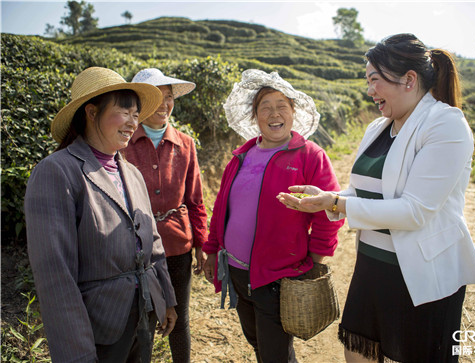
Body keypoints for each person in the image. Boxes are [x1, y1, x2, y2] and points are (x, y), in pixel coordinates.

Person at [277, 33, 475, 363]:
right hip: (373, 265)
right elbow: (369, 194)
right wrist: (329, 197)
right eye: (368, 81)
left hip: (421, 275)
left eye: (375, 80)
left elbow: (415, 211)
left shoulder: (446, 124)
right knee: (358, 350)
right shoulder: (378, 127)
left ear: (409, 79)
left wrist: (337, 204)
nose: (370, 90)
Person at [24, 66, 178, 363]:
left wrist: (167, 300)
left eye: (136, 115)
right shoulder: (57, 171)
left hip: (142, 314)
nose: (133, 123)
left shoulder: (130, 172)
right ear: (92, 112)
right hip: (98, 324)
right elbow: (56, 276)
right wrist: (76, 353)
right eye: (124, 112)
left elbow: (153, 243)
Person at [202, 69, 344, 363]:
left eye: (282, 106)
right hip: (238, 273)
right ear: (255, 117)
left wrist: (315, 260)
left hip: (280, 276)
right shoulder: (241, 156)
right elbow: (222, 208)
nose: (274, 113)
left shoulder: (310, 156)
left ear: (294, 113)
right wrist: (212, 249)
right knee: (257, 343)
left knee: (275, 353)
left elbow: (330, 213)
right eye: (265, 107)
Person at [123, 68, 209, 363]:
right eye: (155, 98)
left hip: (177, 244)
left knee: (180, 318)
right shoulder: (122, 144)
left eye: (169, 97)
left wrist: (201, 244)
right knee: (143, 320)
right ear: (140, 103)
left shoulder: (185, 144)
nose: (164, 104)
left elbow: (195, 199)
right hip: (137, 246)